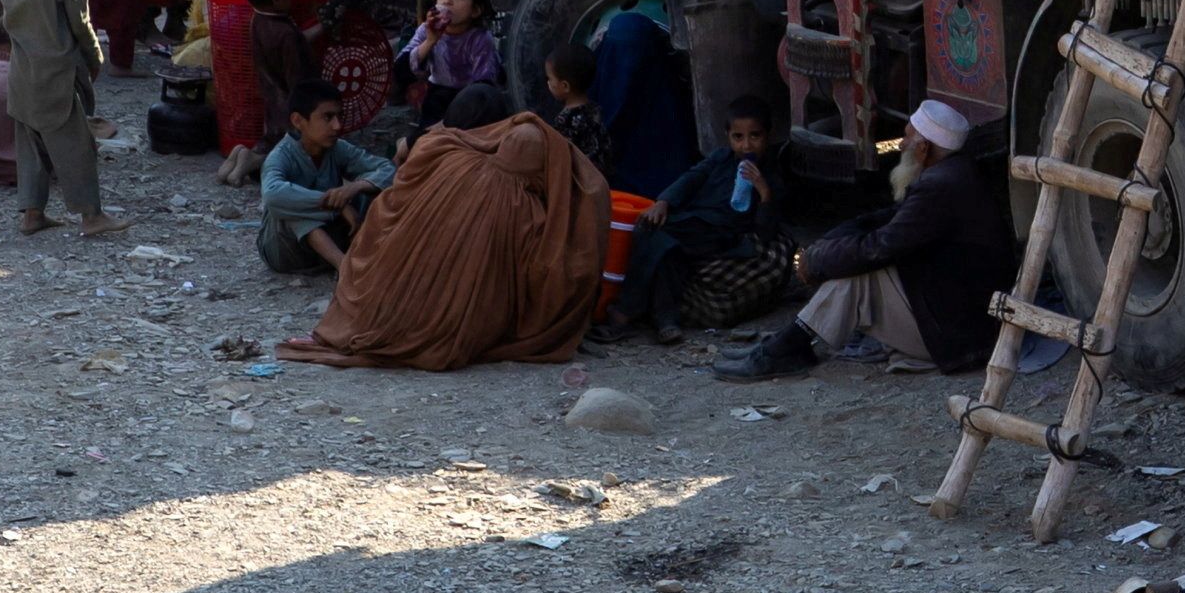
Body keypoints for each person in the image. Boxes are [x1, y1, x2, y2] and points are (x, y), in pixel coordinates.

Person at [278, 97, 612, 367]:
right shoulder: (524, 209)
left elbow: (387, 203)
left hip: (383, 304)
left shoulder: (440, 152)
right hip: (294, 241)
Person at [769, 95, 1008, 369]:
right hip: (965, 324)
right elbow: (887, 220)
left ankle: (787, 348)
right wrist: (829, 243)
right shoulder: (956, 172)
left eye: (907, 138)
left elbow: (880, 247)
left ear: (923, 149)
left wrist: (817, 261)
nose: (901, 144)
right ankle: (788, 344)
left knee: (860, 275)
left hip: (960, 340)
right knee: (856, 264)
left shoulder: (939, 186)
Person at [0, 0, 110, 238]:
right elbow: (82, 28)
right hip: (58, 77)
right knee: (75, 147)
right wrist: (95, 59)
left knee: (30, 148)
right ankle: (91, 216)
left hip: (21, 76)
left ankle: (32, 214)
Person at [619, 104, 791, 336]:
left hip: (721, 234)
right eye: (738, 137)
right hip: (695, 222)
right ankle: (666, 320)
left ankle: (628, 309)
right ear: (728, 136)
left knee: (654, 234)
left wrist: (764, 191)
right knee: (663, 244)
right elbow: (692, 178)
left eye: (755, 136)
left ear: (768, 136)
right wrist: (663, 202)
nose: (746, 145)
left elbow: (765, 230)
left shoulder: (771, 175)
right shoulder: (721, 158)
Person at [260, 86, 397, 278]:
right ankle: (344, 267)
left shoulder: (338, 149)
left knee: (374, 190)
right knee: (290, 206)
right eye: (327, 117)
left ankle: (366, 255)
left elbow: (387, 169)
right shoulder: (280, 156)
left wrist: (355, 187)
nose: (337, 126)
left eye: (339, 117)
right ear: (298, 120)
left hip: (328, 243)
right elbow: (273, 195)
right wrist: (337, 206)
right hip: (285, 252)